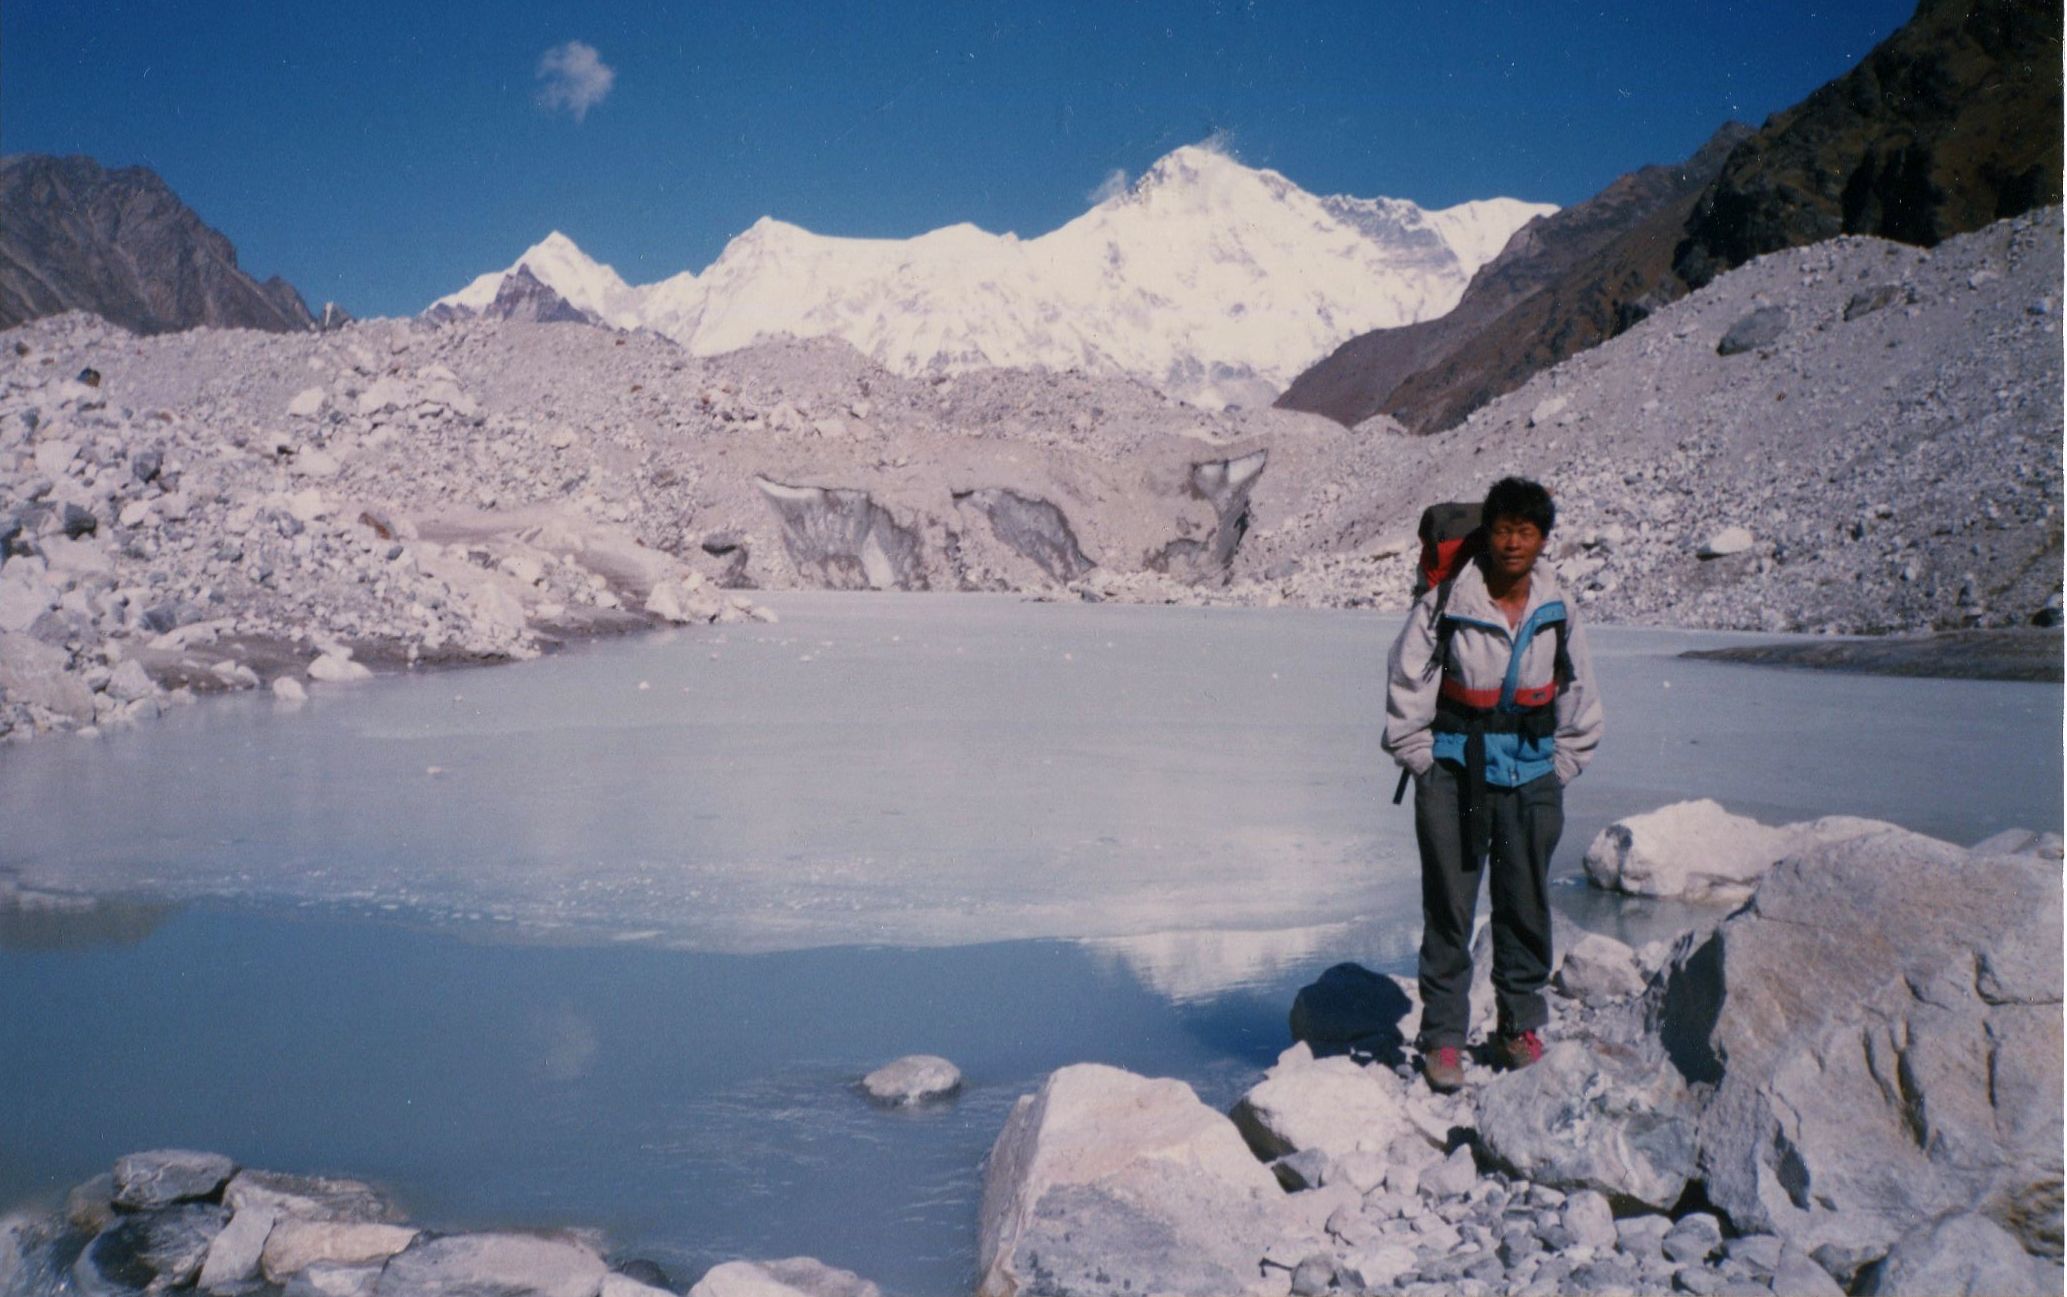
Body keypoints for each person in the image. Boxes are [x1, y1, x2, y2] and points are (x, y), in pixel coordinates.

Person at [1382, 477, 1603, 1093]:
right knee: (1449, 908)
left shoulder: (1557, 606)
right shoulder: (1449, 599)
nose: (1513, 543)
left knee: (1524, 903)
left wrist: (1561, 766)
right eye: (1503, 529)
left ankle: (1519, 1027)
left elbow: (1579, 692)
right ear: (1488, 534)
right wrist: (1422, 759)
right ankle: (1444, 1039)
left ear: (1542, 540)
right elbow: (1407, 680)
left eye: (1526, 532)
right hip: (1454, 774)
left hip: (1531, 776)